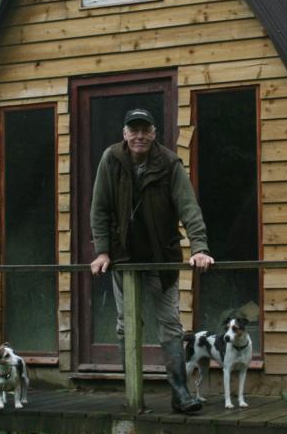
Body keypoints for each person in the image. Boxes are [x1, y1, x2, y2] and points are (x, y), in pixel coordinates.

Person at [90, 108, 215, 413]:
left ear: (154, 133)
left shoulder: (170, 162)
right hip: (124, 259)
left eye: (145, 129)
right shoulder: (111, 159)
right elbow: (100, 208)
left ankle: (181, 394)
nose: (139, 136)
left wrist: (199, 247)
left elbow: (189, 207)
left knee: (171, 325)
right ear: (125, 134)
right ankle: (133, 394)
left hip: (163, 256)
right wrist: (103, 251)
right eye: (133, 130)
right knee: (126, 325)